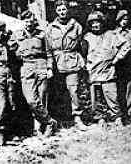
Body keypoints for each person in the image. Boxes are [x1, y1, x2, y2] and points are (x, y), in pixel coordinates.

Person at [10, 10, 57, 137]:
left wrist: (49, 68)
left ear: (34, 21)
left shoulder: (42, 34)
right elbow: (10, 51)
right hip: (26, 66)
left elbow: (49, 53)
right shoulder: (16, 35)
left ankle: (39, 129)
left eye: (31, 21)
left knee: (42, 98)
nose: (29, 23)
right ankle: (50, 122)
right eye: (26, 21)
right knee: (31, 100)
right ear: (22, 21)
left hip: (41, 64)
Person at [83, 11, 131, 127]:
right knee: (96, 98)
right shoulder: (87, 37)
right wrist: (86, 64)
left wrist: (117, 58)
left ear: (102, 23)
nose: (95, 25)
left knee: (111, 95)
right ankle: (100, 118)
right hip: (93, 72)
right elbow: (82, 52)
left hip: (108, 71)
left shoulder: (111, 35)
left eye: (97, 22)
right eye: (92, 23)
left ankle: (117, 117)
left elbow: (127, 44)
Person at [46, 0, 86, 130]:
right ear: (56, 12)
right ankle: (60, 119)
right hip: (57, 64)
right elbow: (49, 50)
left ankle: (77, 118)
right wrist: (50, 67)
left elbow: (81, 46)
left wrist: (81, 60)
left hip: (72, 61)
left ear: (68, 10)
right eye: (59, 10)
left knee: (73, 90)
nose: (62, 12)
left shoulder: (76, 26)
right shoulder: (50, 28)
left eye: (64, 9)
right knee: (58, 92)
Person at [114, 10, 131, 119]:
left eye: (126, 19)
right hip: (118, 64)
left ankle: (128, 112)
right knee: (120, 87)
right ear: (118, 20)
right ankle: (121, 111)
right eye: (122, 19)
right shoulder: (114, 33)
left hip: (130, 62)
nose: (124, 22)